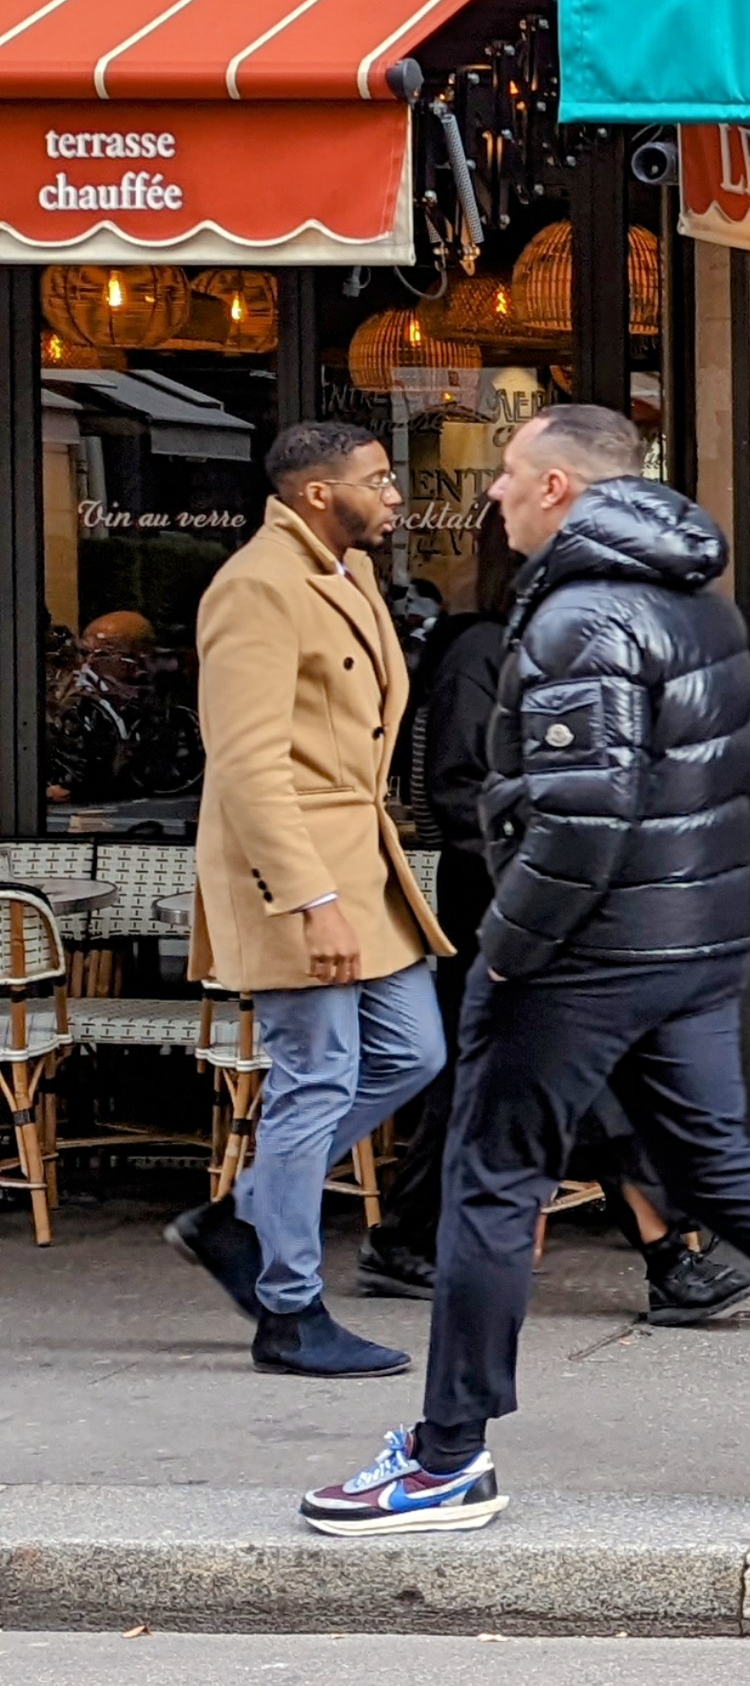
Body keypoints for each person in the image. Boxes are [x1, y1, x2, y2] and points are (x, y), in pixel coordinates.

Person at [297, 404, 750, 1536]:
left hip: (586, 951)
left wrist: (507, 952)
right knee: (719, 1163)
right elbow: (737, 765)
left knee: (491, 1179)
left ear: (560, 487)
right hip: (693, 937)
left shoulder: (579, 615)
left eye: (510, 473)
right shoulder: (697, 599)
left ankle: (447, 1457)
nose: (494, 494)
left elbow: (582, 818)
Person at [361, 502, 750, 1330]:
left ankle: (407, 1237)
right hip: (508, 896)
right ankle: (667, 1255)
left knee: (497, 1074)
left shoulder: (555, 642)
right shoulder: (483, 648)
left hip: (550, 891)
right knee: (574, 1070)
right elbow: (460, 789)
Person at [163, 423, 456, 1378]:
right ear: (319, 494)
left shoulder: (350, 573)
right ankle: (288, 1311)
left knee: (415, 1052)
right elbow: (247, 766)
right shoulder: (255, 586)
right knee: (316, 1077)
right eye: (378, 479)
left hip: (363, 865)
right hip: (297, 875)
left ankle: (242, 1214)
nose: (396, 494)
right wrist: (309, 899)